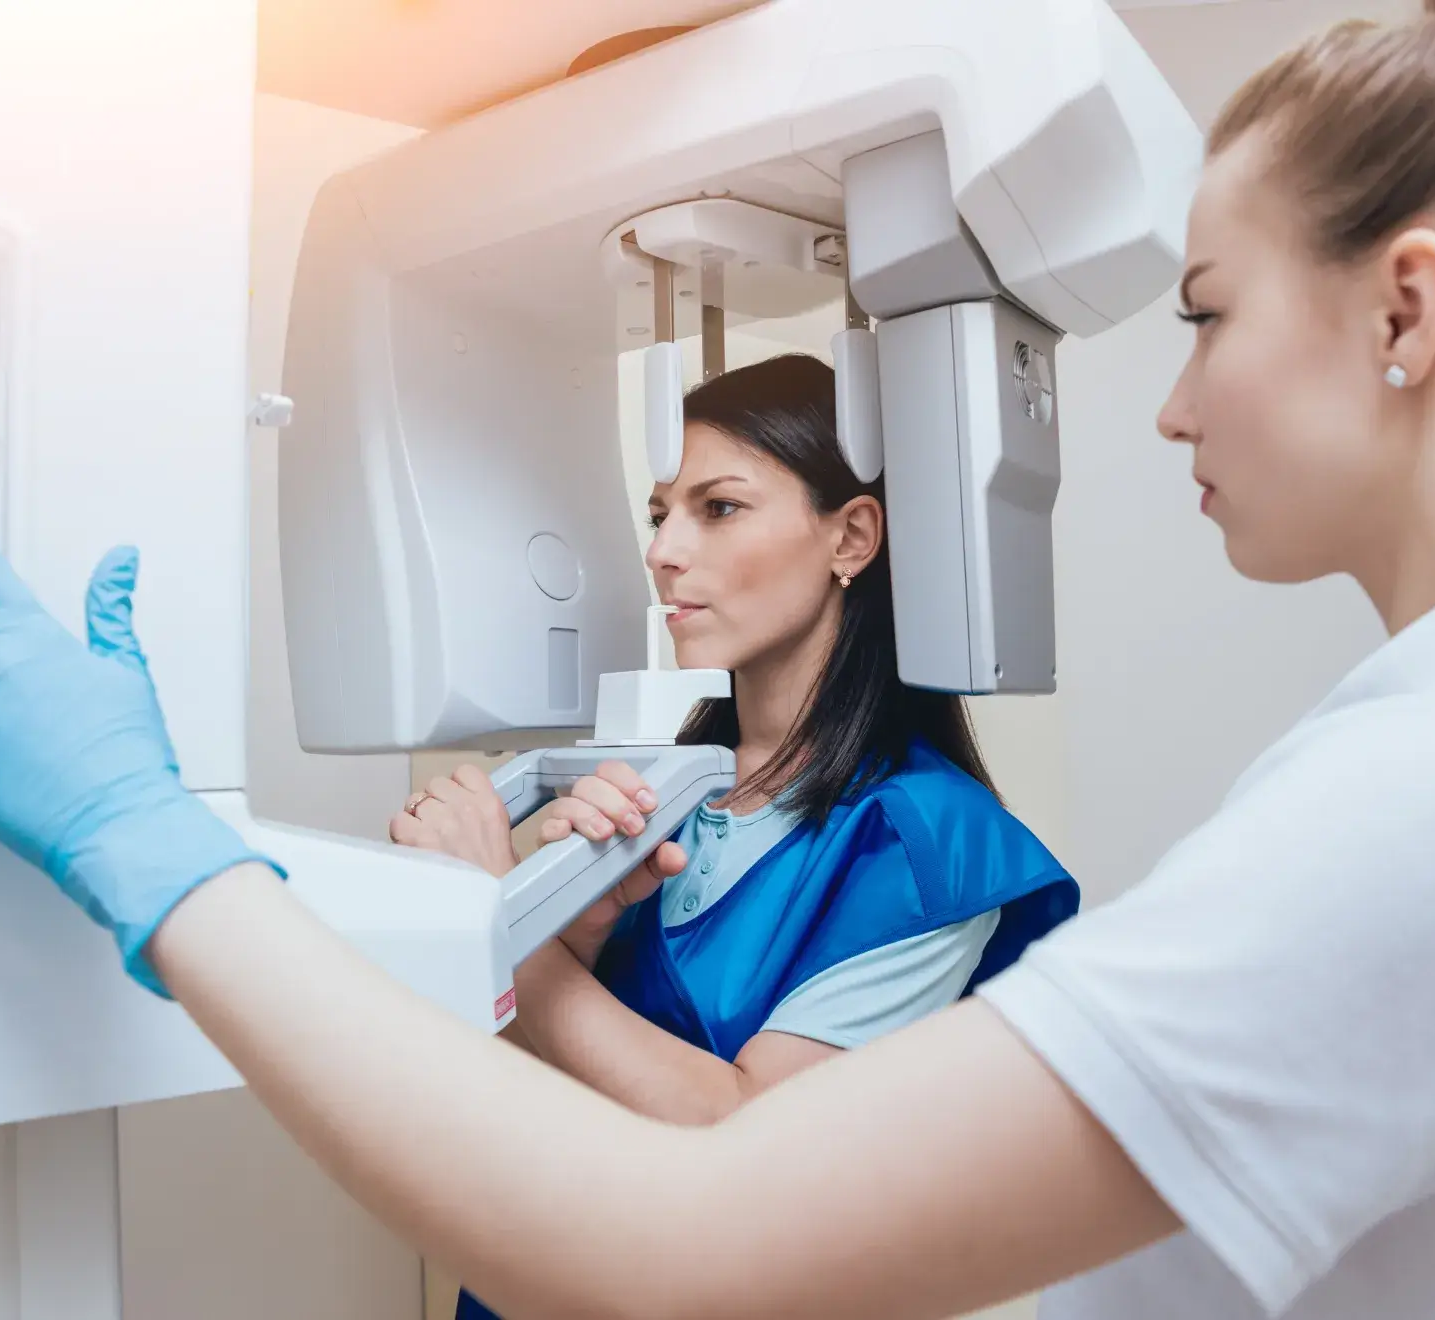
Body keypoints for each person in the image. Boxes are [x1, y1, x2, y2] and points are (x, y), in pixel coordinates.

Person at [0, 2, 1435, 1315]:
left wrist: (145, 835)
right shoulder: (1429, 749)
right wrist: (296, 885)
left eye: (1208, 311)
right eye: (659, 509)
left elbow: (699, 1223)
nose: (1167, 394)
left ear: (1406, 309)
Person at [386, 356, 1078, 1318]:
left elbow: (753, 1132)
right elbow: (525, 1109)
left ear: (852, 537)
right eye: (659, 514)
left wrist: (508, 933)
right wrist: (569, 935)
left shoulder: (925, 842)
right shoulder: (650, 790)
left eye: (718, 508)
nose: (665, 550)